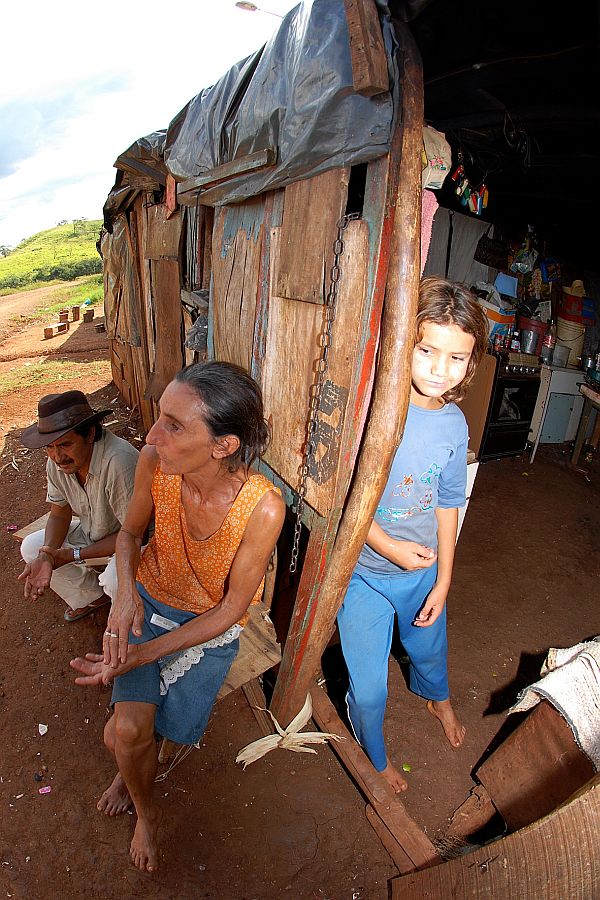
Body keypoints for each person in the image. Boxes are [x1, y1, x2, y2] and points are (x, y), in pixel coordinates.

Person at [70, 360, 285, 874]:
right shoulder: (153, 465)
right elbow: (128, 537)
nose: (151, 435)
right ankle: (146, 810)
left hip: (206, 628)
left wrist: (141, 653)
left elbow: (233, 608)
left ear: (223, 445)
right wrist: (125, 595)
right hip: (148, 603)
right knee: (122, 735)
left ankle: (137, 765)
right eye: (159, 416)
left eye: (173, 425)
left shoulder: (263, 508)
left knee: (146, 735)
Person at [336, 276, 488, 794]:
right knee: (370, 687)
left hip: (422, 573)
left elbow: (449, 504)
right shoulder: (373, 412)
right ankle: (376, 757)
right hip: (362, 574)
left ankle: (436, 697)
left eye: (457, 358)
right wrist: (387, 546)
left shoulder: (454, 426)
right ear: (402, 342)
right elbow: (342, 499)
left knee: (428, 649)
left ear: (472, 361)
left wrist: (444, 579)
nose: (439, 370)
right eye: (426, 350)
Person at [18, 390, 139, 622]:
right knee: (32, 547)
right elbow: (59, 513)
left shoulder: (118, 462)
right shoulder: (57, 463)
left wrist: (73, 554)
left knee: (115, 580)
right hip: (93, 534)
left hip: (134, 542)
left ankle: (128, 615)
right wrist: (47, 554)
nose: (57, 456)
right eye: (49, 447)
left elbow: (134, 533)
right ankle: (93, 596)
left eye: (65, 444)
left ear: (91, 433)